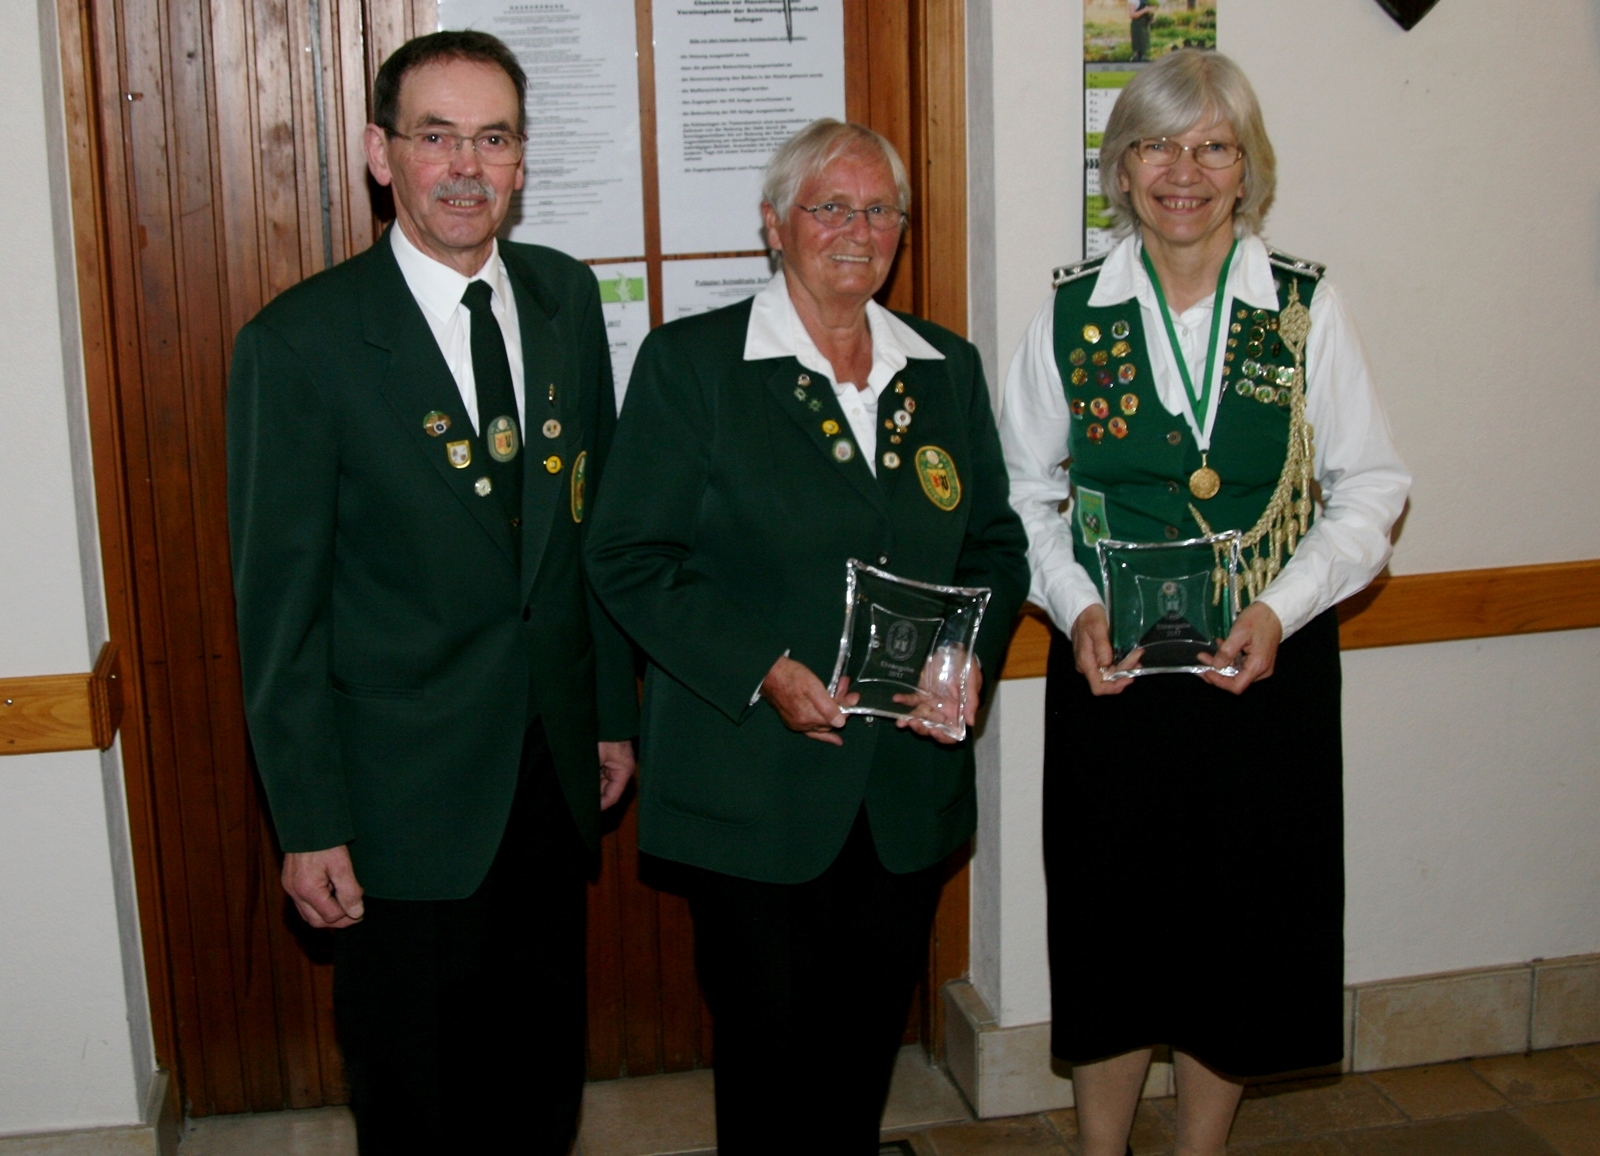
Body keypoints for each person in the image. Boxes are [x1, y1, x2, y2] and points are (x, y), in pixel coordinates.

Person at [227, 30, 638, 1155]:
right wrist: (309, 821)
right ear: (382, 154)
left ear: (521, 160)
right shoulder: (300, 345)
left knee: (540, 1081)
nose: (466, 166)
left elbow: (589, 532)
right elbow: (279, 614)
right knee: (418, 1102)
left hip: (549, 779)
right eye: (437, 136)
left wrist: (607, 713)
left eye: (493, 139)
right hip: (397, 805)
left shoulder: (561, 299)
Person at [585, 119, 1029, 1155]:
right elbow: (629, 555)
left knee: (860, 1057)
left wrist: (965, 653)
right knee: (769, 1064)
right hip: (755, 787)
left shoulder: (944, 369)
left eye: (879, 210)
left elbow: (994, 545)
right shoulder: (694, 365)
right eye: (829, 207)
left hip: (903, 789)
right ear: (774, 225)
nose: (856, 230)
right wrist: (761, 669)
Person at [999, 50, 1409, 1156]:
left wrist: (1281, 609)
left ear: (1247, 170)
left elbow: (1372, 489)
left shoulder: (1306, 310)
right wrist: (1074, 603)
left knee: (1241, 931)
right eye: (1157, 146)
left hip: (1261, 672)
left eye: (1212, 147)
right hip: (1113, 671)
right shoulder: (1072, 314)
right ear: (1122, 169)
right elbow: (1020, 494)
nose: (1183, 172)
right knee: (1111, 929)